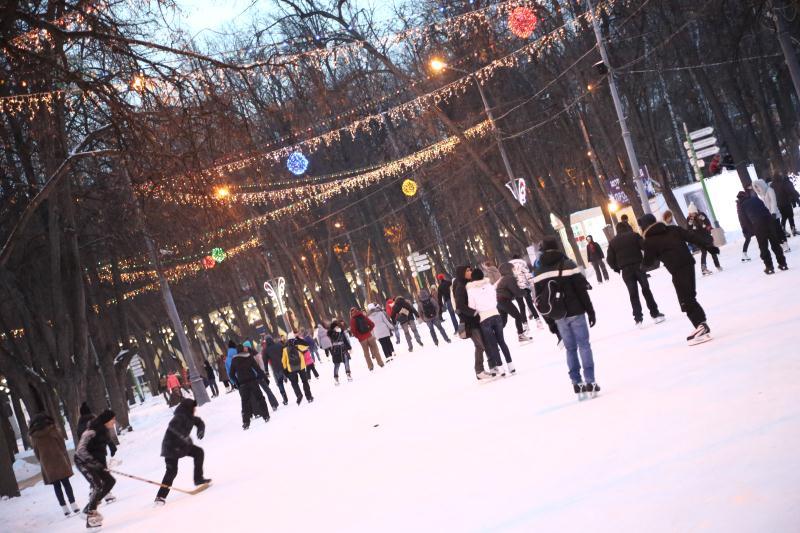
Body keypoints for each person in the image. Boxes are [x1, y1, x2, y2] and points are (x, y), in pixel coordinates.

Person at [532, 237, 599, 398]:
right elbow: (581, 290)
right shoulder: (568, 264)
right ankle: (590, 381)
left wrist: (550, 322)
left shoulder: (538, 271)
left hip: (558, 315)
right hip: (576, 311)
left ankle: (576, 383)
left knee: (570, 348)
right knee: (584, 345)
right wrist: (590, 311)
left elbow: (539, 300)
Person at [639, 213, 713, 345]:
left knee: (686, 300)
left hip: (678, 270)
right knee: (690, 297)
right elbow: (692, 237)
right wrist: (708, 246)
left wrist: (641, 268)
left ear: (644, 227)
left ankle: (701, 327)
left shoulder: (649, 241)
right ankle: (702, 325)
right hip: (689, 264)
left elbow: (650, 262)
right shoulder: (672, 229)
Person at [606, 222, 665, 327]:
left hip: (626, 271)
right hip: (639, 267)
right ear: (627, 228)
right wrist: (648, 261)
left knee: (633, 294)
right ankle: (655, 314)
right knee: (646, 290)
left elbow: (609, 260)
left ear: (617, 230)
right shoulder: (634, 235)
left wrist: (617, 268)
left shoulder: (613, 242)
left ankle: (638, 319)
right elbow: (646, 247)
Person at [154, 399, 210, 505]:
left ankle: (198, 478)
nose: (195, 410)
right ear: (188, 408)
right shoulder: (179, 417)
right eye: (193, 408)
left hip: (182, 446)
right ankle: (160, 497)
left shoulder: (190, 417)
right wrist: (181, 436)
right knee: (172, 471)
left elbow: (200, 422)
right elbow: (172, 426)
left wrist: (200, 431)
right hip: (171, 447)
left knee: (198, 452)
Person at [29, 413, 80, 516]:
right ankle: (74, 505)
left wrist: (43, 461)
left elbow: (36, 452)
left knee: (56, 486)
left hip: (47, 463)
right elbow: (62, 444)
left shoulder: (34, 436)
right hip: (59, 460)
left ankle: (65, 509)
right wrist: (63, 455)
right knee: (66, 483)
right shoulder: (53, 430)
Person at [74, 409, 117, 529]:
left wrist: (103, 467)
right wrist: (94, 463)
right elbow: (80, 451)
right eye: (112, 419)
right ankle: (91, 512)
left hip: (96, 463)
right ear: (106, 420)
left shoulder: (104, 431)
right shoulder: (91, 432)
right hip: (82, 462)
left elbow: (100, 451)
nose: (114, 422)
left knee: (110, 481)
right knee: (97, 485)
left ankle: (88, 509)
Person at [466, 268, 514, 375]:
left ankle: (501, 368)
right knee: (502, 342)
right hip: (496, 315)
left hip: (484, 318)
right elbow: (495, 299)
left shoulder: (471, 290)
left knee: (493, 344)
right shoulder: (489, 286)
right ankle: (511, 366)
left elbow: (472, 306)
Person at [453, 265, 494, 380]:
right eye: (467, 270)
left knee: (484, 344)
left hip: (477, 320)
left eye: (470, 269)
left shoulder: (469, 284)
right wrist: (473, 312)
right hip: (469, 322)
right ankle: (479, 371)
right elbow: (459, 305)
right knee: (479, 345)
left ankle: (490, 366)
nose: (470, 271)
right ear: (462, 273)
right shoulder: (461, 286)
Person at [737, 190, 788, 274]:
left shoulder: (741, 206)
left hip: (758, 225)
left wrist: (749, 230)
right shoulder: (755, 199)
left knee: (763, 246)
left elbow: (744, 220)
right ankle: (783, 264)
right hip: (769, 221)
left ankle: (769, 267)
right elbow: (765, 209)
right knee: (775, 244)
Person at [228, 344, 270, 429]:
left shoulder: (234, 360)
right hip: (253, 381)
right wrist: (264, 377)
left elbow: (231, 374)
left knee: (245, 403)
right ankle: (265, 415)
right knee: (260, 398)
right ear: (243, 350)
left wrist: (237, 383)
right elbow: (257, 368)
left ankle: (246, 422)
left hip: (243, 384)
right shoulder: (249, 356)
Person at [496, 262, 531, 342]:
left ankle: (493, 338)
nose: (514, 270)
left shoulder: (504, 278)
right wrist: (525, 292)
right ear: (508, 270)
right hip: (504, 301)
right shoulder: (509, 278)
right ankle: (521, 335)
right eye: (513, 269)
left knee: (503, 322)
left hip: (499, 301)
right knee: (518, 316)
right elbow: (516, 292)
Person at [753, 178, 790, 253]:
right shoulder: (761, 194)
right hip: (768, 216)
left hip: (774, 214)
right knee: (774, 231)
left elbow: (773, 202)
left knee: (778, 229)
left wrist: (773, 213)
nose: (757, 188)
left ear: (761, 185)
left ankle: (785, 244)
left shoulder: (770, 190)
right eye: (755, 187)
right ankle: (781, 244)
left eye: (757, 186)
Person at [686, 204, 722, 275]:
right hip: (698, 239)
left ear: (695, 211)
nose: (692, 214)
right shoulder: (689, 219)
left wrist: (708, 228)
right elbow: (689, 228)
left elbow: (707, 222)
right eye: (690, 213)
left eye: (693, 213)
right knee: (704, 252)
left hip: (706, 236)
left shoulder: (701, 215)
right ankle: (704, 269)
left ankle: (717, 265)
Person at [509, 254, 542, 326]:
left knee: (521, 306)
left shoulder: (509, 266)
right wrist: (532, 284)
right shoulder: (522, 263)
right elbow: (527, 274)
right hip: (525, 287)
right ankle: (538, 321)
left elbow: (510, 278)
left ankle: (525, 324)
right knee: (530, 304)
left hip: (516, 288)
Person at [282, 333, 315, 404]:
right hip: (301, 366)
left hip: (291, 368)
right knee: (304, 381)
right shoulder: (298, 345)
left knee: (294, 383)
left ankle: (299, 395)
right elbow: (307, 345)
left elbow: (283, 361)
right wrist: (299, 338)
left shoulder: (285, 348)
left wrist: (285, 369)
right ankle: (309, 397)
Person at [250, 341, 280, 412]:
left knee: (264, 391)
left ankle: (273, 404)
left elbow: (261, 364)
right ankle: (273, 404)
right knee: (264, 391)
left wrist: (262, 372)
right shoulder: (253, 355)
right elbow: (262, 364)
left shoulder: (254, 355)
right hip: (257, 376)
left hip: (257, 376)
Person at [263, 335, 289, 405]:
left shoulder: (266, 350)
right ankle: (297, 393)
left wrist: (266, 371)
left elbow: (265, 361)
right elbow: (286, 353)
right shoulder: (279, 345)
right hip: (284, 366)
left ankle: (285, 398)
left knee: (280, 383)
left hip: (276, 368)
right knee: (292, 379)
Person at [328, 320, 352, 385]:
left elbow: (345, 340)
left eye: (337, 326)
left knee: (346, 362)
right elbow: (332, 337)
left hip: (343, 349)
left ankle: (348, 374)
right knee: (337, 365)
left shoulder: (341, 332)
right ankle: (336, 378)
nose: (337, 328)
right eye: (335, 327)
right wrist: (335, 332)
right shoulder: (331, 333)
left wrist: (349, 348)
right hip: (336, 351)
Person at [736, 191, 754, 262]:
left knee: (748, 239)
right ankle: (744, 254)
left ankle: (744, 254)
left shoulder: (739, 204)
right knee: (761, 234)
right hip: (749, 224)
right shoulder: (742, 204)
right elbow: (743, 217)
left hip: (747, 225)